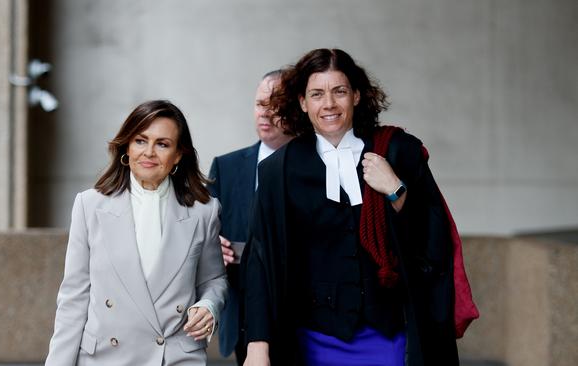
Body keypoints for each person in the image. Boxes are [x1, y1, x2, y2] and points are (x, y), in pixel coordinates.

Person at [241, 49, 459, 366]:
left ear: (356, 96)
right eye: (317, 94)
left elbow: (434, 241)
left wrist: (397, 191)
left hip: (388, 333)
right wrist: (257, 346)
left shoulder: (398, 152)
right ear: (302, 102)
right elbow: (260, 263)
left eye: (339, 91)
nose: (328, 104)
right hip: (310, 337)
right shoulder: (279, 171)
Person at [45, 100, 227, 365]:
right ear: (127, 148)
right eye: (141, 141)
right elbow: (74, 298)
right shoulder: (90, 205)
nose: (149, 152)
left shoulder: (204, 211)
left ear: (178, 155)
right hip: (106, 358)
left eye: (162, 144)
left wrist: (209, 306)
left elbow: (214, 280)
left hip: (174, 357)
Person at [207, 70, 293, 365]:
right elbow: (204, 234)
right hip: (242, 312)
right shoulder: (225, 166)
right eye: (259, 104)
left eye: (276, 105)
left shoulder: (317, 165)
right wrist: (212, 246)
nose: (265, 113)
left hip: (303, 313)